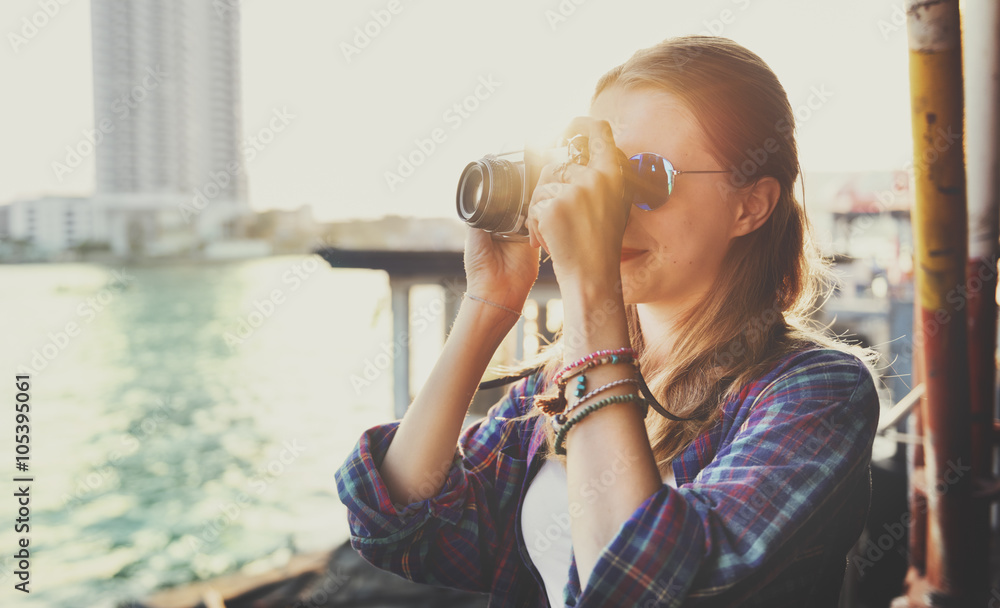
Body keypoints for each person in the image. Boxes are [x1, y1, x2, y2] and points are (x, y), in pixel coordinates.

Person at [336, 35, 880, 607]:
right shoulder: (555, 388)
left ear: (749, 205)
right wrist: (488, 305)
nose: (609, 208)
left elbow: (635, 587)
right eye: (596, 173)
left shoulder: (817, 393)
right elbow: (401, 524)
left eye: (644, 177)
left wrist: (590, 288)